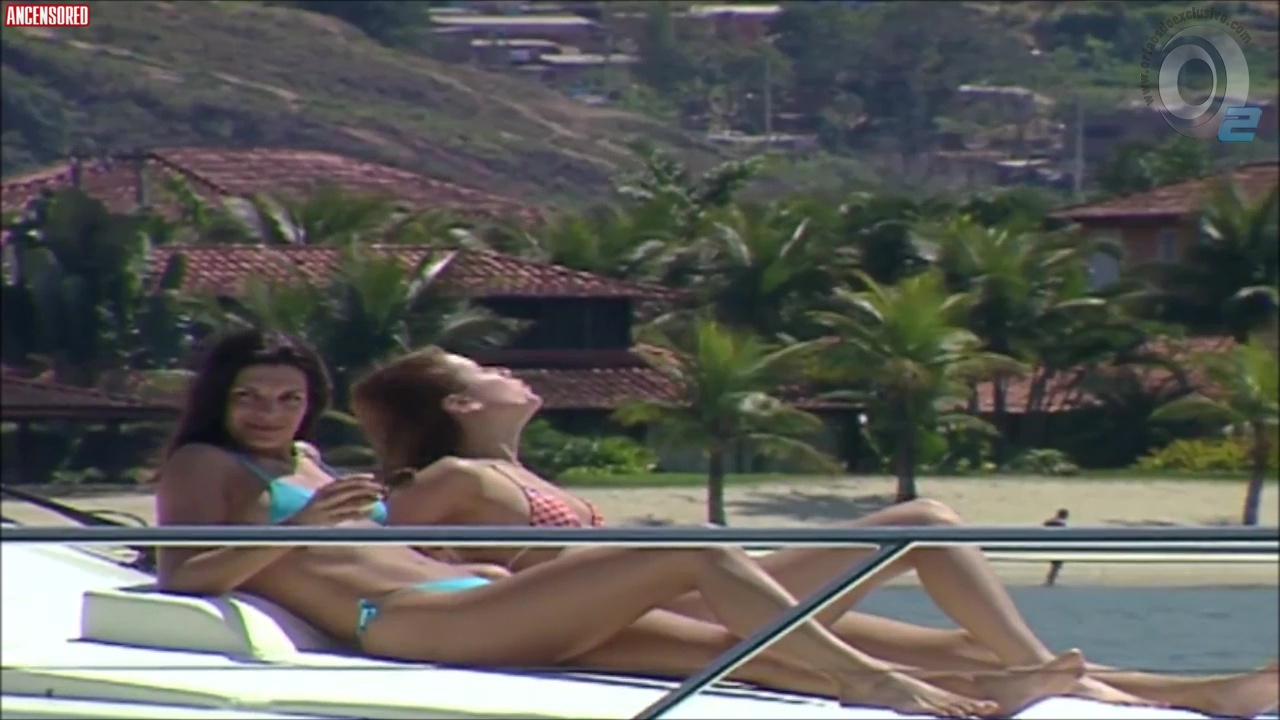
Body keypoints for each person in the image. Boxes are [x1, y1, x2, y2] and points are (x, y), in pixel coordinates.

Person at [152, 327, 1101, 719]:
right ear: (221, 401)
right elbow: (183, 574)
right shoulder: (204, 465)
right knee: (691, 551)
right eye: (253, 397)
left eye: (288, 397)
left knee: (738, 652)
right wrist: (307, 531)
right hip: (410, 622)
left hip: (482, 598)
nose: (271, 412)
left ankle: (1027, 690)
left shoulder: (309, 466)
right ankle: (878, 686)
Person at [352, 347, 1279, 719]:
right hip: (652, 603)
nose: (511, 373)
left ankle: (1191, 693)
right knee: (923, 526)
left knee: (951, 629)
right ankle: (1081, 685)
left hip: (687, 589)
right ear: (459, 404)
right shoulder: (454, 476)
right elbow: (399, 551)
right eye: (486, 370)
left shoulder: (516, 471)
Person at [1042, 509, 1069, 588]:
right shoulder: (1063, 525)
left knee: (1055, 564)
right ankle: (1050, 580)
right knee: (1057, 564)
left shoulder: (1048, 522)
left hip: (1048, 546)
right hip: (1058, 547)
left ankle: (1050, 580)